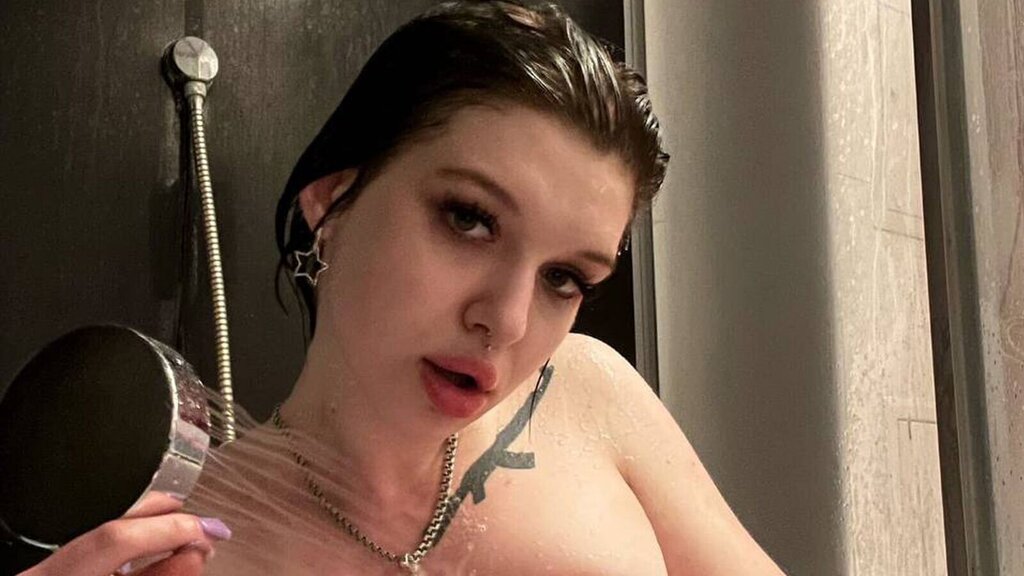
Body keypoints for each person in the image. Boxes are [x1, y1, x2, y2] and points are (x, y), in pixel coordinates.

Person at [22, 1, 786, 574]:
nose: (508, 321)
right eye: (470, 219)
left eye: (565, 277)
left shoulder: (587, 394)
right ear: (332, 199)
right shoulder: (184, 545)